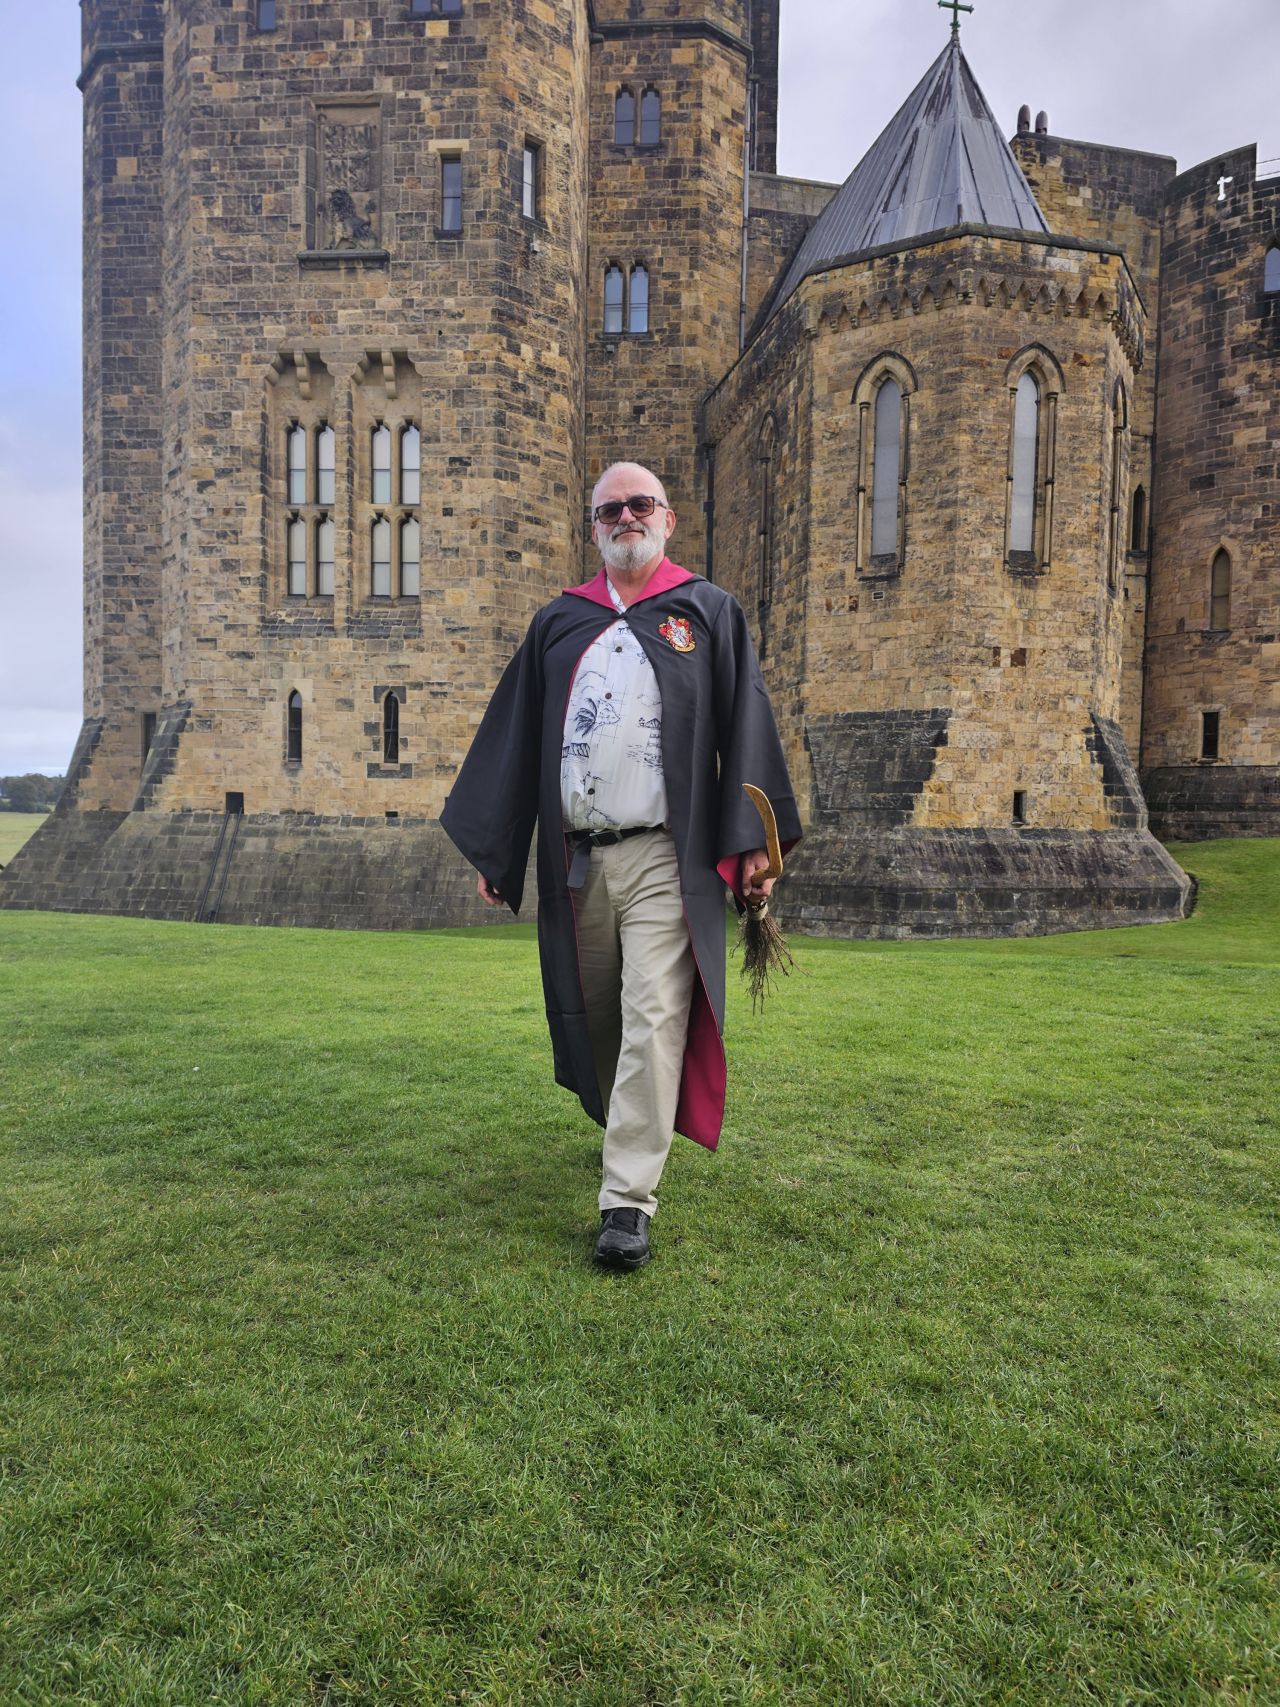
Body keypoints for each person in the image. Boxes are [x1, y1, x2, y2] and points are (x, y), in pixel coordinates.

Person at [441, 461, 799, 1270]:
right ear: (594, 527)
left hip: (667, 857)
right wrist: (499, 849)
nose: (626, 517)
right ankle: (624, 1126)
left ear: (667, 519)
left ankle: (627, 1201)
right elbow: (517, 737)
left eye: (641, 505)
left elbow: (745, 728)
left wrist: (753, 843)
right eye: (611, 510)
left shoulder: (707, 613)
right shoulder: (560, 623)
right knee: (596, 1012)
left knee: (654, 1014)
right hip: (578, 861)